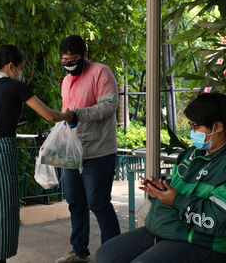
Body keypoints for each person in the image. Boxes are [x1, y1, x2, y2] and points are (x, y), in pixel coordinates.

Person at [0, 44, 74, 263]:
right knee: (2, 216)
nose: (21, 72)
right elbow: (49, 116)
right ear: (12, 66)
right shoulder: (16, 87)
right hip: (1, 156)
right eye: (21, 67)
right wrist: (67, 116)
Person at [95, 92, 226, 263]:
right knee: (106, 255)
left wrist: (176, 200)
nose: (193, 132)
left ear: (218, 127)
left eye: (196, 127)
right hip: (164, 228)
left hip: (202, 241)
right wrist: (160, 190)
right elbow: (177, 188)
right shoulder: (190, 155)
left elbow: (219, 221)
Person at [55, 35, 120, 263]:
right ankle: (79, 252)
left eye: (73, 59)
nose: (69, 64)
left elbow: (109, 106)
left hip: (99, 151)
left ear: (85, 55)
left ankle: (112, 254)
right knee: (75, 203)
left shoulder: (101, 72)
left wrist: (77, 115)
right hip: (72, 152)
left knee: (99, 203)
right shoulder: (66, 81)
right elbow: (66, 113)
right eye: (65, 60)